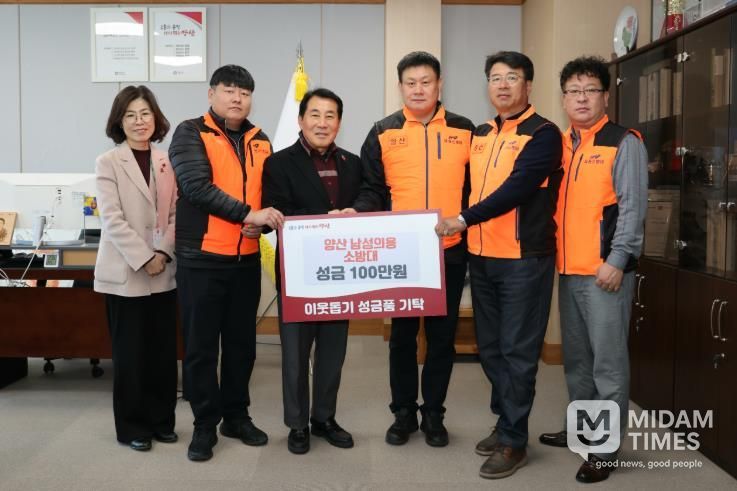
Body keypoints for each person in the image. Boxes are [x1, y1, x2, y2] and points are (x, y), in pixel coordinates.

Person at [436, 51, 563, 479]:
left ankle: (513, 441)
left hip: (524, 259)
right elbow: (467, 186)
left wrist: (463, 219)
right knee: (489, 348)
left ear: (528, 85)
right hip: (482, 256)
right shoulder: (482, 133)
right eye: (495, 78)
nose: (503, 85)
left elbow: (517, 188)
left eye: (512, 77)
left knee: (517, 351)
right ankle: (507, 420)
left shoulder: (543, 134)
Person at [349, 51, 474, 448]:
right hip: (401, 255)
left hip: (449, 250)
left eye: (426, 82)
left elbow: (477, 191)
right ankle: (403, 412)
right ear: (400, 86)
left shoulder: (466, 130)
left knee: (441, 337)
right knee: (402, 337)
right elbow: (372, 189)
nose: (418, 89)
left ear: (440, 84)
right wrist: (358, 212)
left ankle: (434, 414)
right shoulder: (382, 131)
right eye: (410, 83)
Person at [538, 56, 647, 484]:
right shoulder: (561, 145)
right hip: (568, 270)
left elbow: (633, 207)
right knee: (578, 362)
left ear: (605, 96)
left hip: (605, 273)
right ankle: (582, 430)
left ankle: (604, 449)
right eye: (573, 91)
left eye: (590, 90)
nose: (581, 98)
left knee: (608, 366)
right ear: (564, 98)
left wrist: (618, 260)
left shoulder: (624, 142)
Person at [169, 65, 285, 462]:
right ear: (211, 94)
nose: (237, 98)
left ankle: (236, 416)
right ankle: (205, 424)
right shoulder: (190, 133)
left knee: (241, 346)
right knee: (201, 348)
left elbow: (269, 197)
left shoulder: (261, 140)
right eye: (229, 90)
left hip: (245, 260)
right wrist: (248, 214)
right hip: (201, 260)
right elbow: (196, 187)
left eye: (245, 92)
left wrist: (261, 225)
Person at [262, 88, 362, 455]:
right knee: (295, 354)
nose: (322, 123)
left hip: (341, 274)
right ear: (301, 120)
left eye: (330, 115)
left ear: (339, 122)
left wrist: (355, 211)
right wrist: (324, 219)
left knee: (333, 352)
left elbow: (372, 197)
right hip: (299, 273)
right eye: (315, 115)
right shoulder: (278, 163)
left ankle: (324, 418)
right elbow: (275, 211)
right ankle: (297, 424)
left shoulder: (353, 162)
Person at [93, 85, 178, 452]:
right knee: (130, 355)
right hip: (125, 272)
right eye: (130, 115)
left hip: (163, 271)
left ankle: (161, 421)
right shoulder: (108, 162)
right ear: (119, 121)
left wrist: (162, 252)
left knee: (162, 352)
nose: (139, 121)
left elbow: (176, 214)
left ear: (155, 118)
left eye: (145, 114)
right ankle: (132, 427)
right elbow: (111, 219)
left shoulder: (167, 160)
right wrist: (145, 257)